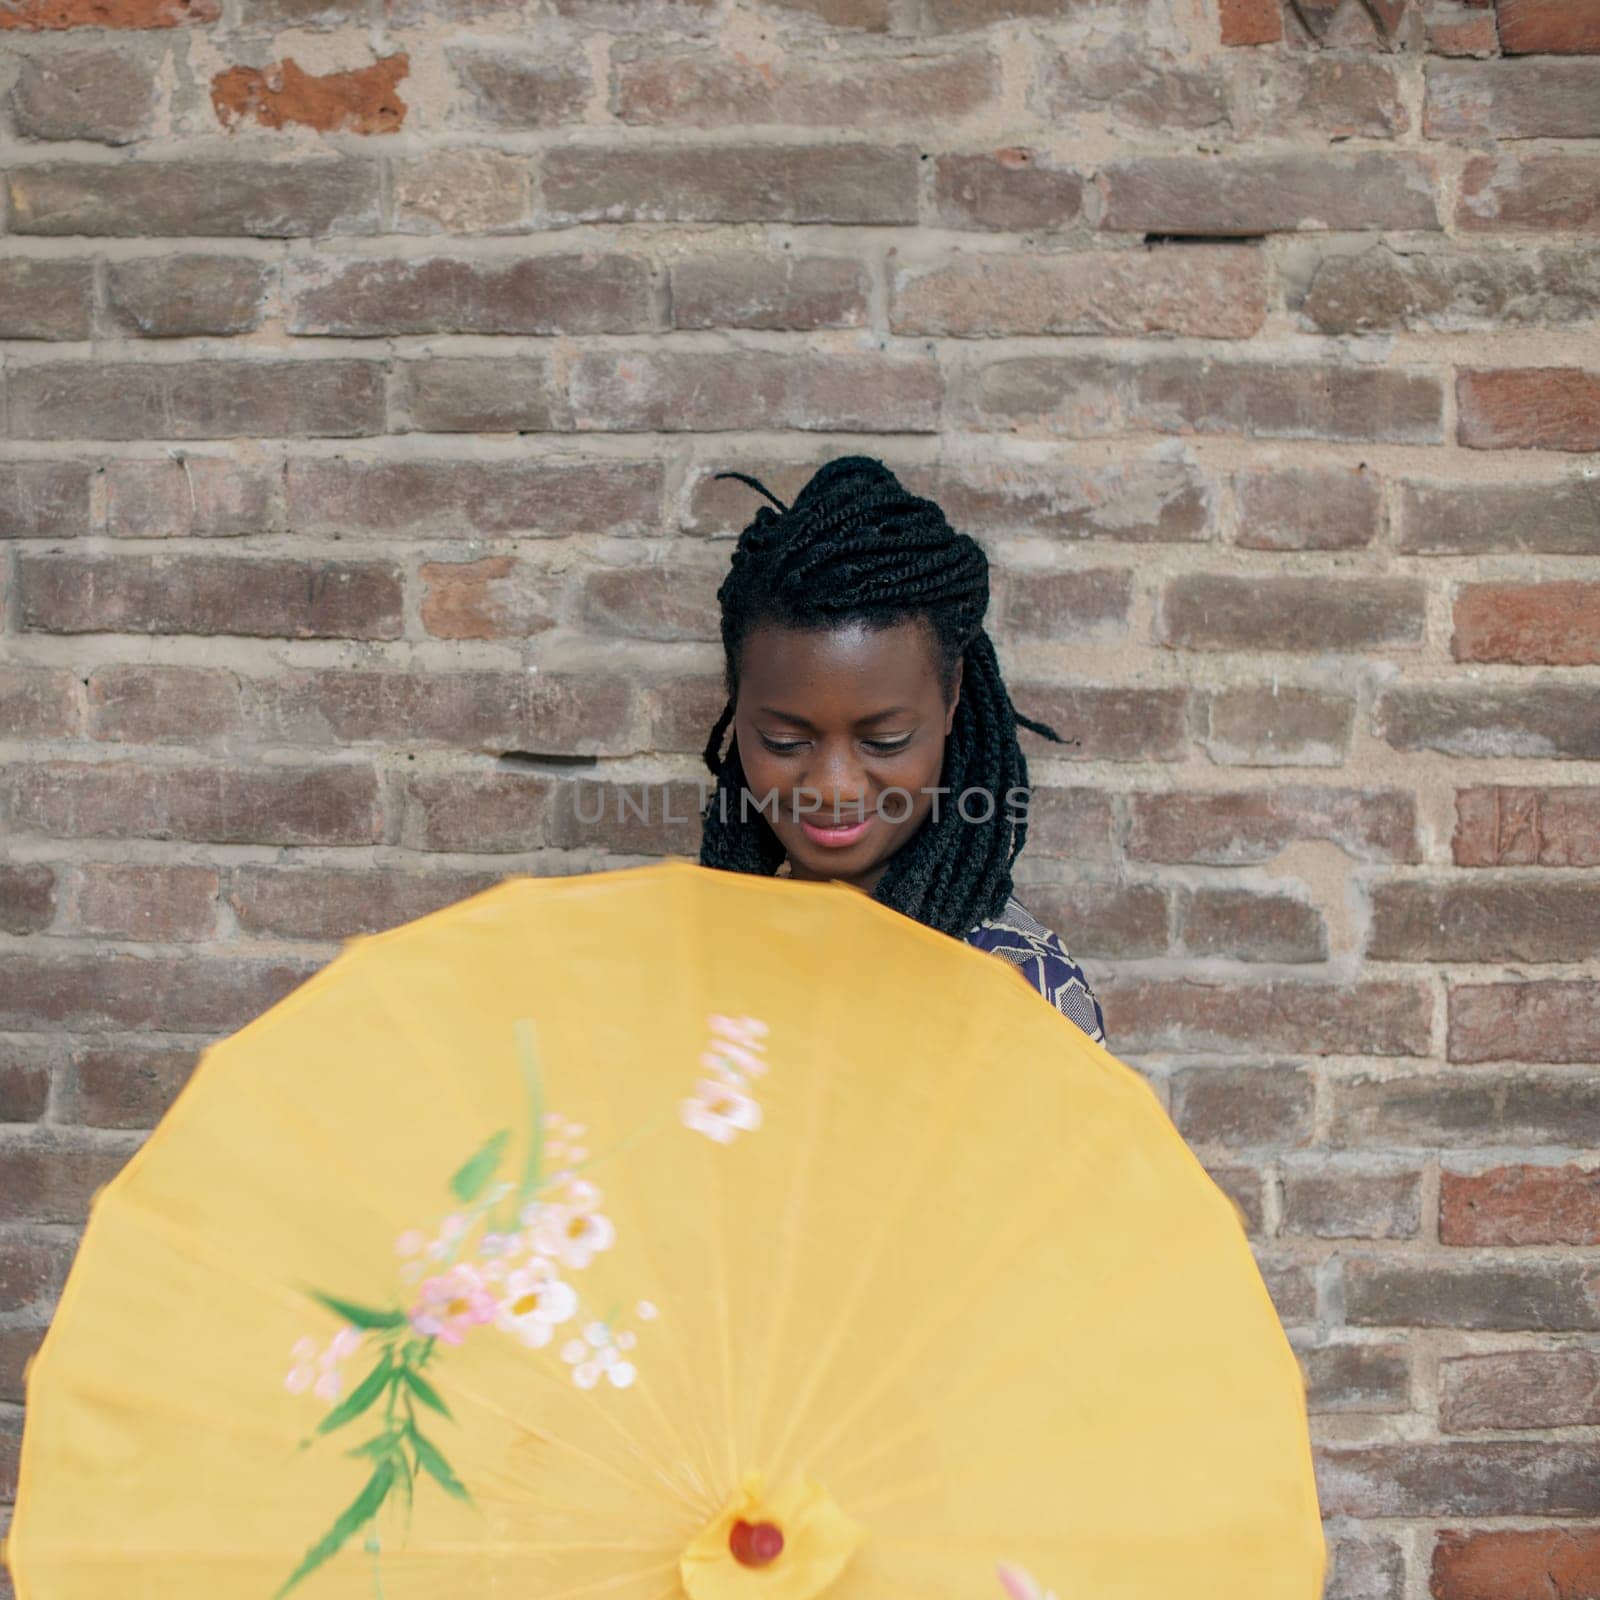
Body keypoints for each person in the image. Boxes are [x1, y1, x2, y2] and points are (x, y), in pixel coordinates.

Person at [698, 455, 1107, 1047]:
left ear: (951, 698)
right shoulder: (701, 962)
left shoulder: (1025, 996)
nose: (834, 786)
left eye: (884, 741)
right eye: (784, 742)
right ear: (738, 708)